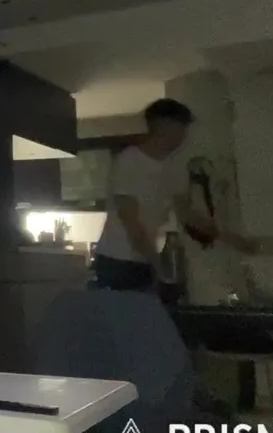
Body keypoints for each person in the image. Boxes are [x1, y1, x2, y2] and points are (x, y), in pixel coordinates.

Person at [93, 98, 256, 292]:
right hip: (116, 261)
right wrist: (158, 266)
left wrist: (232, 239)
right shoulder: (129, 162)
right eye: (182, 128)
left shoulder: (173, 168)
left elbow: (186, 214)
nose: (184, 136)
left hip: (143, 261)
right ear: (166, 126)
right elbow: (131, 223)